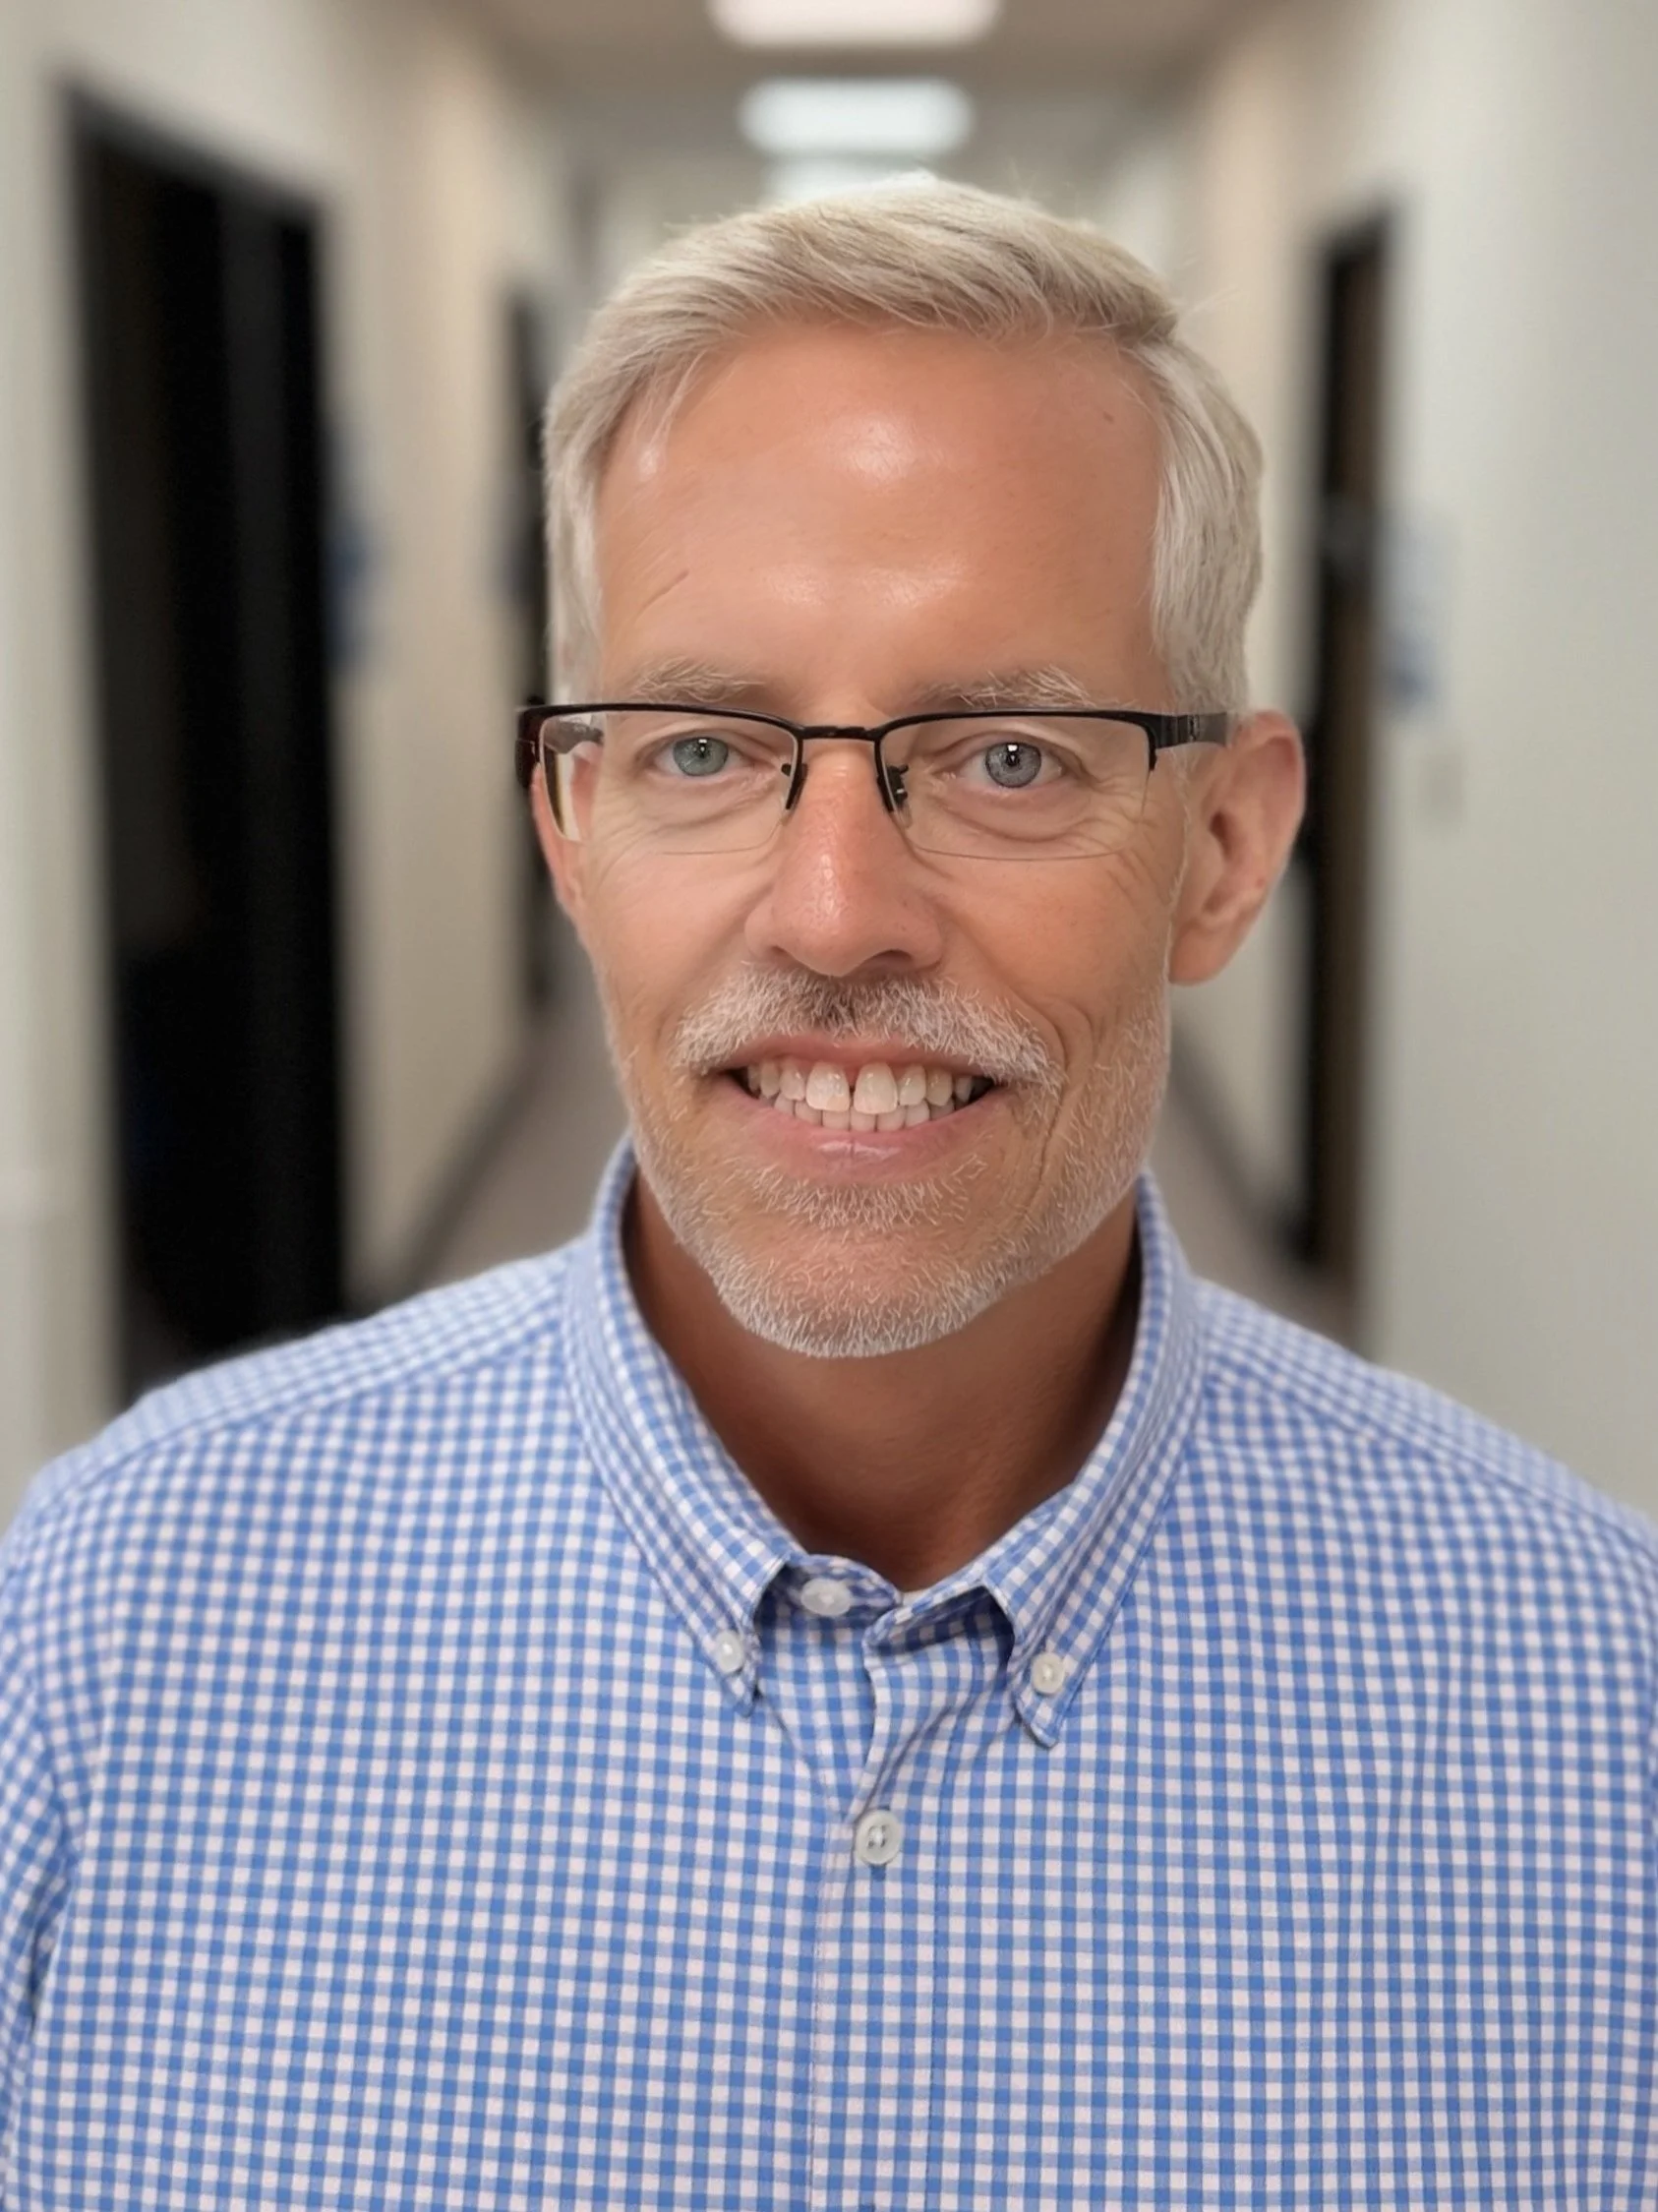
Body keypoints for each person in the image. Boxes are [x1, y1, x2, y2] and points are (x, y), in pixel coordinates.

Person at [2, 183, 1653, 2209]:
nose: (837, 911)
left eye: (1009, 757)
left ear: (1225, 848)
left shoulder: (1596, 1702)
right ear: (572, 828)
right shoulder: (114, 1613)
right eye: (704, 747)